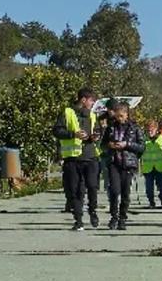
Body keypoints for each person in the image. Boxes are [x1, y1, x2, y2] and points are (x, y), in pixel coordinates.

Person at [56, 88, 102, 231]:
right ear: (83, 100)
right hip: (73, 159)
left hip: (90, 156)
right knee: (76, 190)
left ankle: (93, 211)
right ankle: (78, 220)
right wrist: (73, 134)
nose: (93, 103)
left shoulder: (93, 115)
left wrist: (96, 136)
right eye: (91, 100)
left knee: (93, 186)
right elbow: (57, 131)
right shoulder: (67, 112)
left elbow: (98, 130)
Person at [100, 100, 144, 231]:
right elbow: (103, 145)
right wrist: (109, 145)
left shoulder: (135, 128)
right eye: (116, 116)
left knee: (125, 193)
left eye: (121, 116)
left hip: (128, 163)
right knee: (114, 191)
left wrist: (127, 145)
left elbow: (141, 147)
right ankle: (114, 216)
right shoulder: (111, 127)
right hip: (114, 162)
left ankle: (123, 218)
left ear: (126, 115)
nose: (118, 119)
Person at [140, 117, 162, 209]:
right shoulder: (143, 140)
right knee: (149, 188)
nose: (150, 131)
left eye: (152, 129)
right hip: (148, 167)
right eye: (148, 130)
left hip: (161, 167)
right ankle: (151, 202)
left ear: (156, 129)